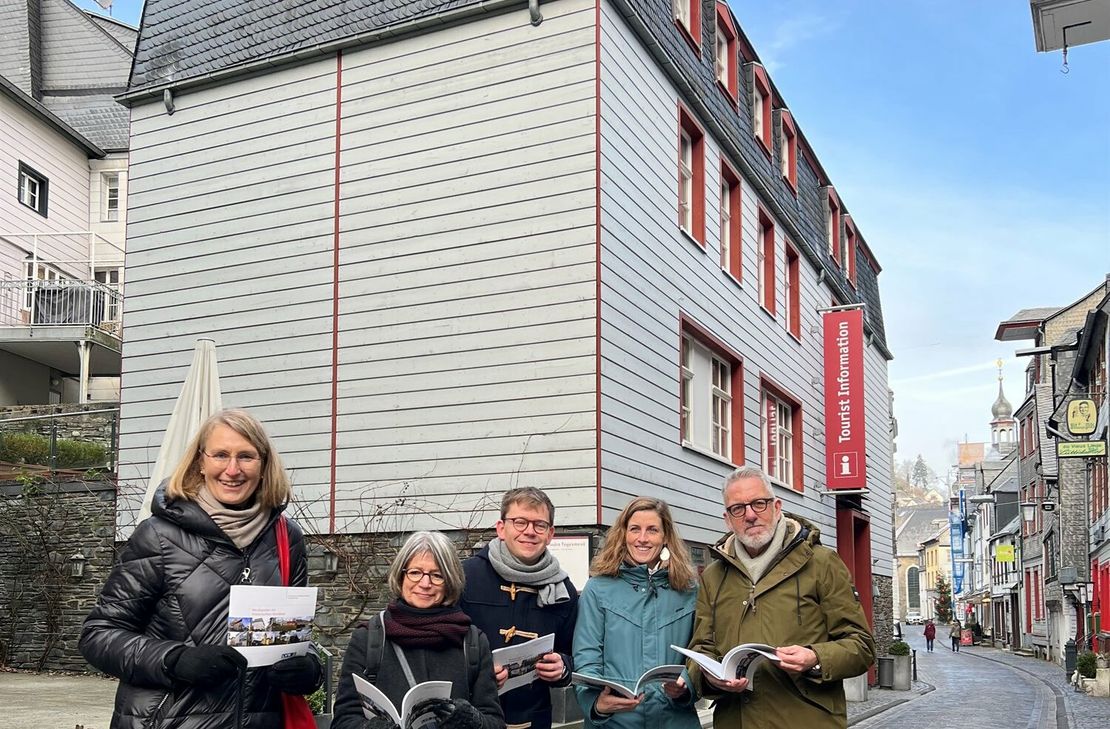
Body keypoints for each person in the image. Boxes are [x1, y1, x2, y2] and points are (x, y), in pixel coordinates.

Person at [79, 409, 323, 729]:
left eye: (246, 456)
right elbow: (98, 636)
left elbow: (292, 632)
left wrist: (310, 668)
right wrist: (174, 659)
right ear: (200, 461)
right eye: (220, 454)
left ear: (264, 465)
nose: (232, 470)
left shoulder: (285, 537)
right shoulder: (158, 535)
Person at [686, 466, 875, 729]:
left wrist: (815, 658)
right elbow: (700, 650)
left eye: (759, 504)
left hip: (807, 721)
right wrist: (708, 678)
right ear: (728, 519)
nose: (750, 515)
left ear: (777, 507)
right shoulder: (714, 575)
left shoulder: (821, 563)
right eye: (738, 509)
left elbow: (862, 646)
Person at [332, 531, 504, 729]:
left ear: (449, 581)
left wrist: (473, 721)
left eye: (437, 575)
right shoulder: (369, 637)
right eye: (415, 572)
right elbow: (343, 720)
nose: (425, 584)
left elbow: (495, 722)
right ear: (401, 575)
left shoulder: (472, 641)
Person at [573, 497, 700, 729]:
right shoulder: (599, 588)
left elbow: (700, 652)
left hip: (675, 720)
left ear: (665, 537)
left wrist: (687, 688)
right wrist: (596, 703)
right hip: (615, 723)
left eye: (652, 530)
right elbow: (586, 656)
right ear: (623, 534)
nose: (642, 538)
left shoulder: (688, 590)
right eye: (634, 529)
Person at [460, 487, 578, 729]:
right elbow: (442, 646)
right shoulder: (464, 577)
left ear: (550, 533)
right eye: (520, 522)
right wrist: (478, 673)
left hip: (534, 718)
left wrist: (563, 666)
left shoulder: (564, 588)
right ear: (501, 528)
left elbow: (575, 651)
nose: (530, 532)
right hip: (472, 715)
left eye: (539, 525)